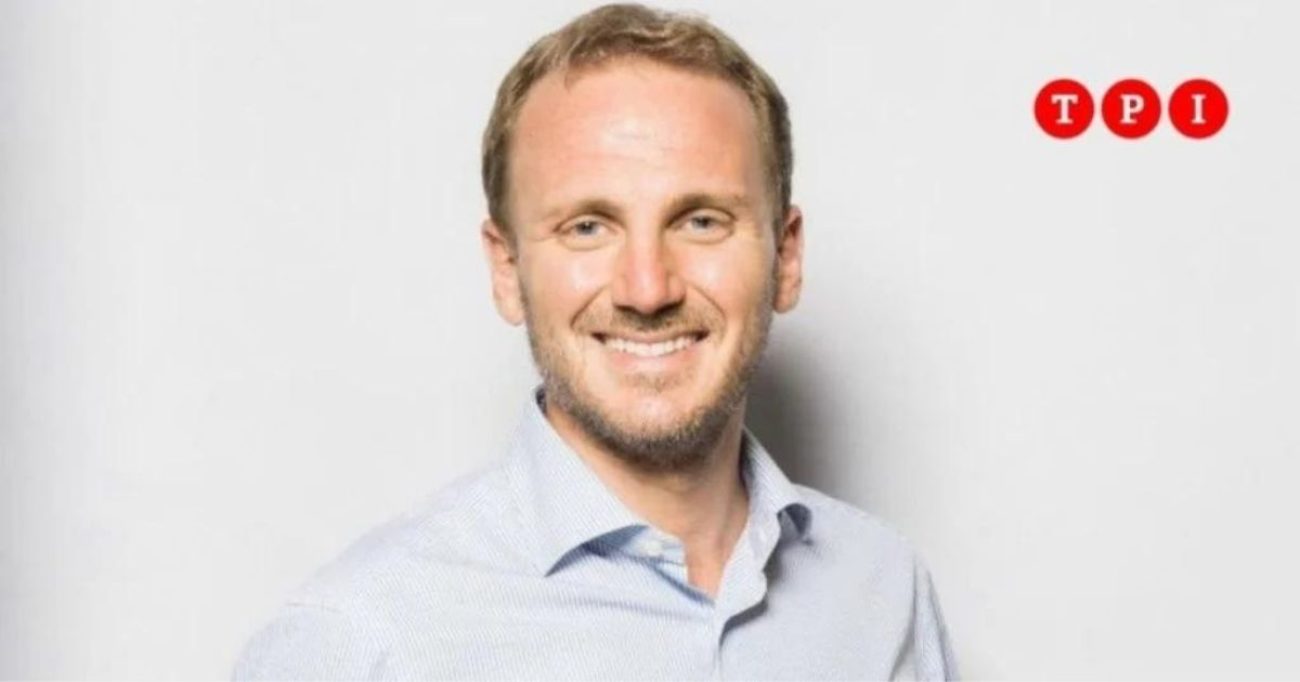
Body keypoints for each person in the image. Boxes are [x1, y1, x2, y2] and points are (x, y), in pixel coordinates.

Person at [234, 3, 957, 679]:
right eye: (587, 227)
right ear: (508, 270)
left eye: (701, 220)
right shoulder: (361, 643)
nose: (648, 288)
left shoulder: (882, 589)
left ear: (786, 257)